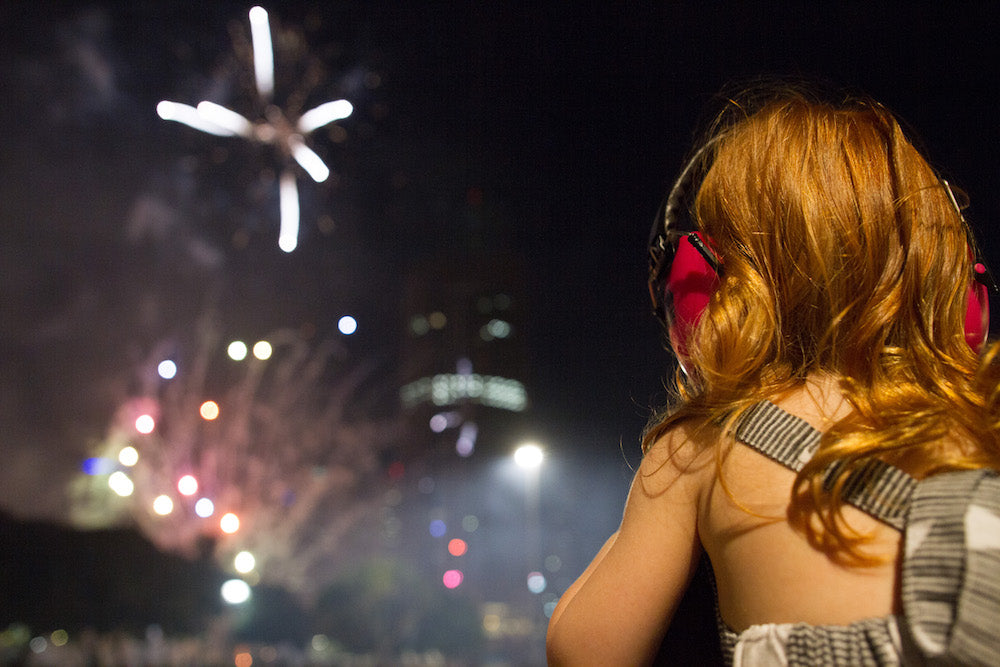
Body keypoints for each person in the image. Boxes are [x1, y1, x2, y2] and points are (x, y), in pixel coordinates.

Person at [545, 89, 1000, 665]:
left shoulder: (699, 447)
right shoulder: (981, 429)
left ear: (706, 287)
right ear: (965, 302)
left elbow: (583, 650)